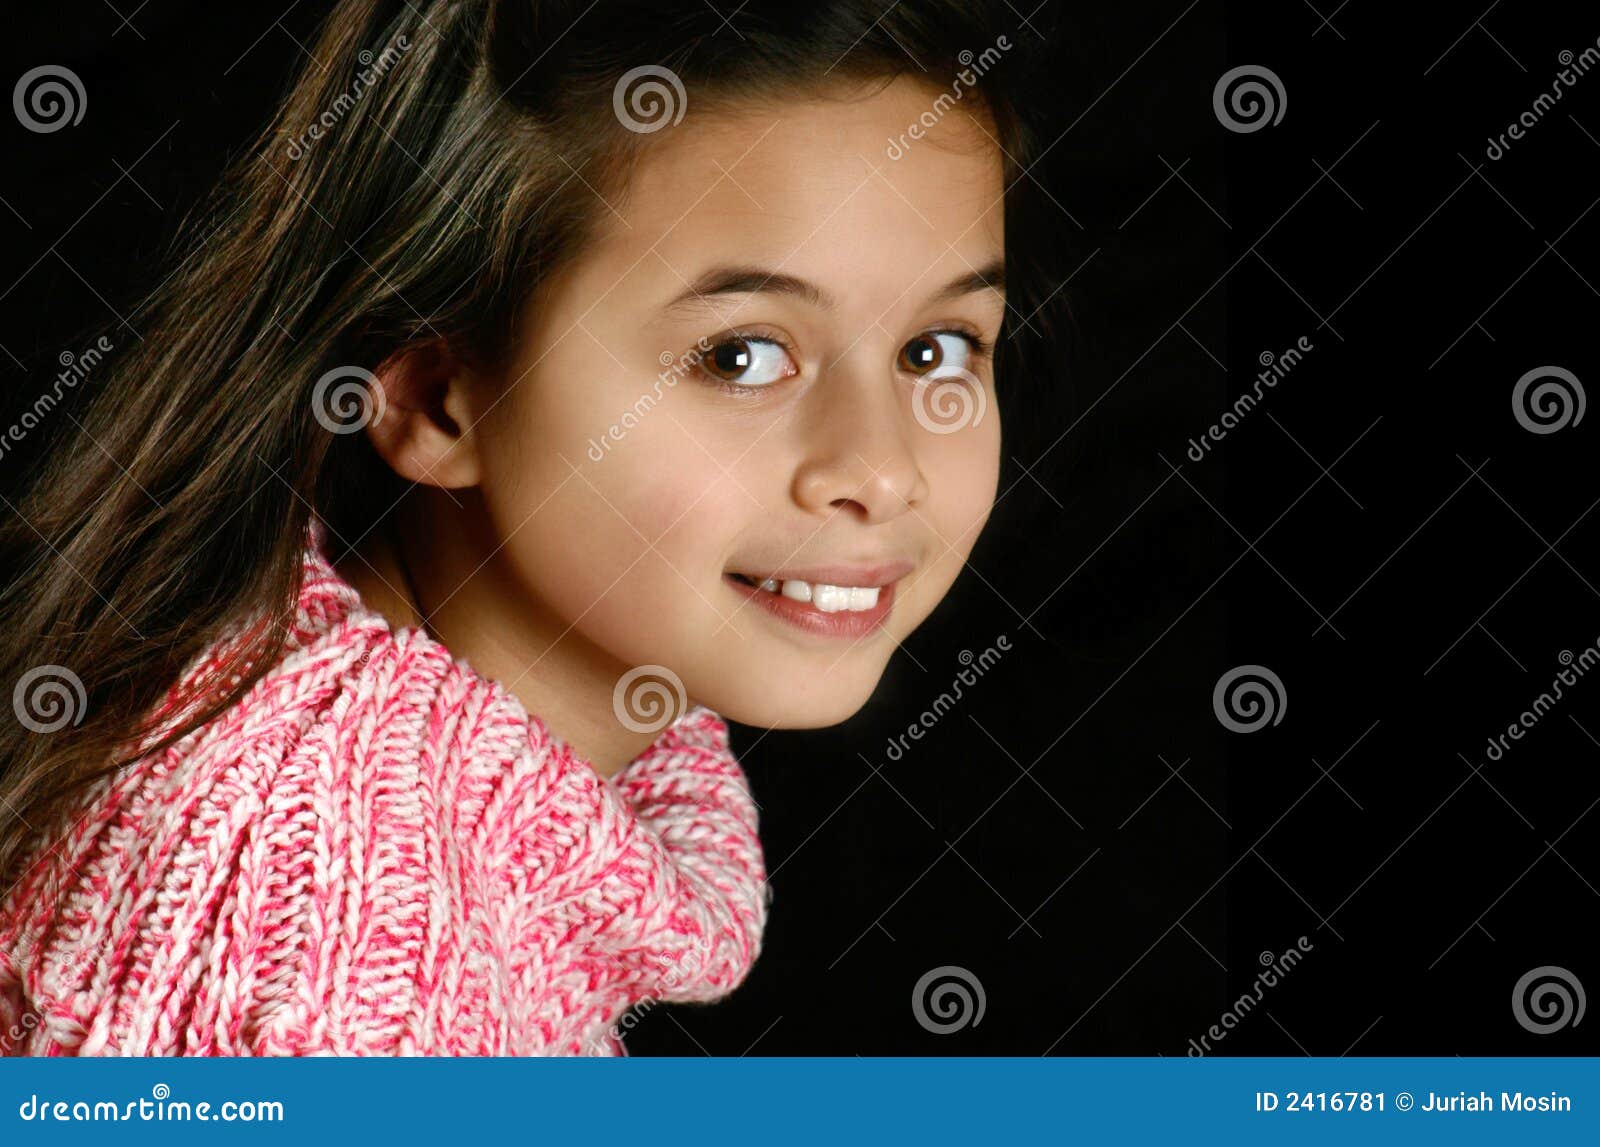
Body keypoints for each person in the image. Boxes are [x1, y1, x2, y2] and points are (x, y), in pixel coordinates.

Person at [0, 0, 1048, 1055]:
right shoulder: (321, 946)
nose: (882, 470)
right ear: (438, 402)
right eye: (740, 356)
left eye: (937, 349)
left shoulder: (465, 769)